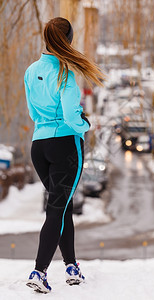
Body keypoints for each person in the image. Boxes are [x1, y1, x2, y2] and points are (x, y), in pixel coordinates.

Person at [24, 17, 105, 294]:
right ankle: (39, 271)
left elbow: (33, 114)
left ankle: (71, 266)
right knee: (57, 208)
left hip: (39, 147)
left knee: (63, 205)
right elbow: (72, 116)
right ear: (67, 40)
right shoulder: (65, 73)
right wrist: (85, 124)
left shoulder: (30, 71)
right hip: (65, 145)